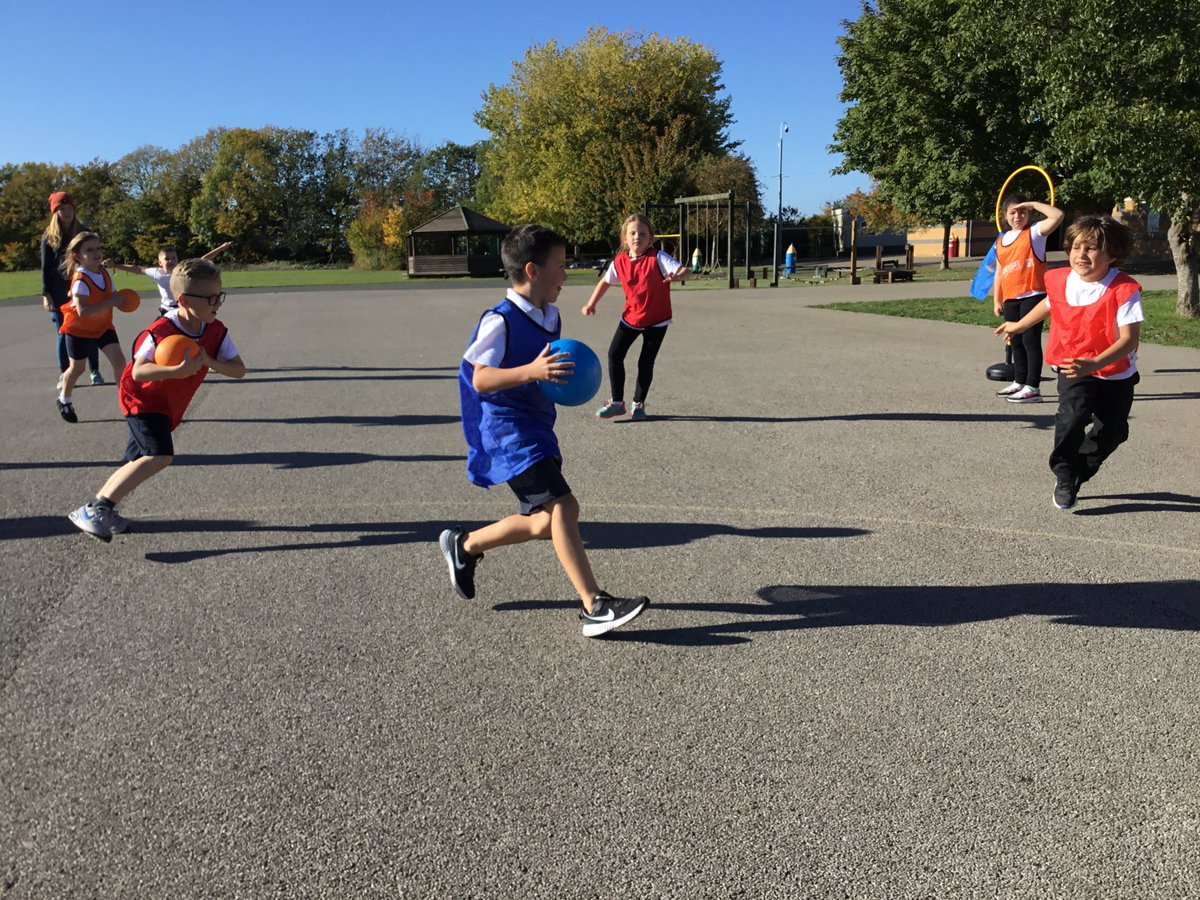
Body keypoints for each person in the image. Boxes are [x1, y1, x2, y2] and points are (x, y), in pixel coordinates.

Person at [439, 223, 648, 637]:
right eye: (560, 265)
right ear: (532, 271)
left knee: (542, 523)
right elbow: (479, 379)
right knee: (565, 508)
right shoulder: (498, 321)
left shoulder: (550, 315)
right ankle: (594, 606)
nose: (566, 274)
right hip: (508, 432)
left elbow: (550, 369)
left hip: (536, 425)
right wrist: (532, 371)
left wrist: (554, 379)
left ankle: (464, 547)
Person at [67, 258, 245, 540]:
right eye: (211, 297)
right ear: (184, 300)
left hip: (168, 405)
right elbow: (138, 371)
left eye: (219, 295)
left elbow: (239, 369)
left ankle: (100, 508)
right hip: (142, 399)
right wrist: (176, 371)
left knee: (134, 460)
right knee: (159, 455)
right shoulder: (160, 331)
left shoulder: (216, 331)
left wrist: (210, 360)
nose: (218, 302)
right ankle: (97, 509)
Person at [994, 215, 1143, 511]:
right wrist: (1019, 325)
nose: (1080, 254)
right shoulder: (1060, 279)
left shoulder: (1124, 289)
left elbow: (1128, 340)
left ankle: (1079, 470)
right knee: (1072, 417)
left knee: (1112, 431)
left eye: (1090, 248)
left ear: (1112, 254)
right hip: (1073, 365)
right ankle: (1064, 474)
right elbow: (1049, 304)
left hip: (1115, 371)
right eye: (1075, 247)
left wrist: (1096, 363)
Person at [583, 213, 688, 421]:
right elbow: (605, 282)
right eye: (632, 233)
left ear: (651, 238)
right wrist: (591, 303)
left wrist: (678, 275)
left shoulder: (658, 257)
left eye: (642, 233)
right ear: (625, 238)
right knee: (614, 354)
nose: (637, 236)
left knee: (645, 362)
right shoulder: (619, 262)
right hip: (632, 316)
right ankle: (617, 403)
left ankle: (638, 405)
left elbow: (685, 270)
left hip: (657, 319)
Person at [991, 195, 1065, 403]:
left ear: (1029, 214)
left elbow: (1058, 215)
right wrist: (997, 300)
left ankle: (1033, 387)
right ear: (1005, 215)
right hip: (1011, 298)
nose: (1017, 216)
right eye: (1013, 212)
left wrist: (1033, 204)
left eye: (1022, 212)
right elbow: (999, 272)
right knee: (1016, 341)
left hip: (1033, 295)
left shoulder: (1034, 233)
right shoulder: (1000, 241)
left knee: (1030, 340)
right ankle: (1019, 381)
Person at [55, 232, 128, 423]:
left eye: (98, 248)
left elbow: (112, 295)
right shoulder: (81, 280)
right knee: (77, 368)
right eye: (89, 250)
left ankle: (126, 402)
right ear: (78, 256)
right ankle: (64, 399)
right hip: (78, 328)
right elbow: (83, 311)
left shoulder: (103, 272)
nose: (96, 253)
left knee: (120, 362)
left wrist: (123, 302)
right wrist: (112, 301)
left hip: (103, 326)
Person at [40, 192, 101, 388]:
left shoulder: (83, 233)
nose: (66, 213)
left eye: (69, 209)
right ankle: (65, 373)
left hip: (83, 285)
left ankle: (94, 371)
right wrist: (46, 294)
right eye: (61, 209)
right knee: (63, 332)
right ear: (55, 213)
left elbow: (93, 257)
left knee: (89, 328)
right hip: (59, 290)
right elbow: (45, 267)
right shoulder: (49, 237)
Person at [107, 242, 232, 315]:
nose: (171, 261)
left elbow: (203, 259)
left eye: (174, 258)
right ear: (160, 262)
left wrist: (221, 247)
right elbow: (137, 269)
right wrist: (115, 265)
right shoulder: (157, 273)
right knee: (157, 334)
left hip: (183, 308)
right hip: (166, 310)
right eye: (167, 258)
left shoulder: (182, 270)